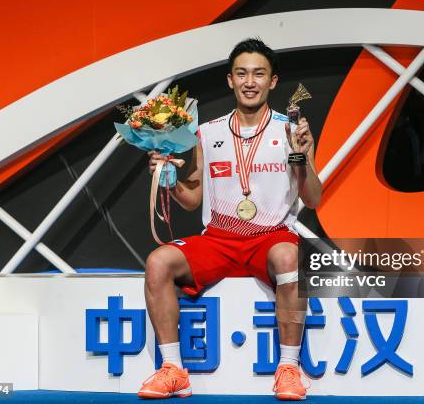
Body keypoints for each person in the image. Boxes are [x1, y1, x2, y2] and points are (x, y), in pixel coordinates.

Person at [138, 38, 322, 400]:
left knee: (289, 258)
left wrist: (300, 157)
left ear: (272, 81)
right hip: (219, 239)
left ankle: (288, 368)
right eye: (242, 73)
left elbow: (313, 199)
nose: (249, 81)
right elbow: (192, 201)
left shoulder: (292, 130)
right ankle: (173, 369)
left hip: (271, 236)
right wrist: (168, 178)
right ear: (230, 80)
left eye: (258, 73)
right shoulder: (207, 132)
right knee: (158, 262)